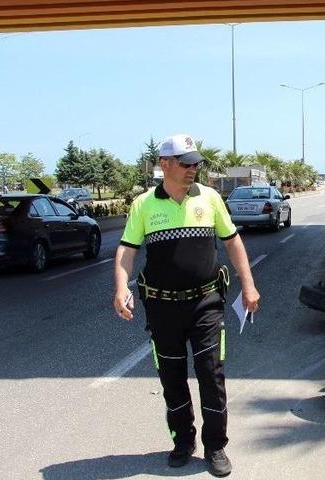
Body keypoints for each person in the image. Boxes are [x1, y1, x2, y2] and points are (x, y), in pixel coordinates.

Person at [112, 133, 259, 476]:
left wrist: (249, 286)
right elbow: (127, 250)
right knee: (172, 378)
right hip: (163, 309)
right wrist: (121, 288)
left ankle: (216, 446)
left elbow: (233, 242)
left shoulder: (209, 198)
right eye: (186, 163)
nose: (194, 169)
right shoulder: (144, 204)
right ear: (165, 164)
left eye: (196, 163)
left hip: (206, 303)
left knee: (211, 376)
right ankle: (182, 440)